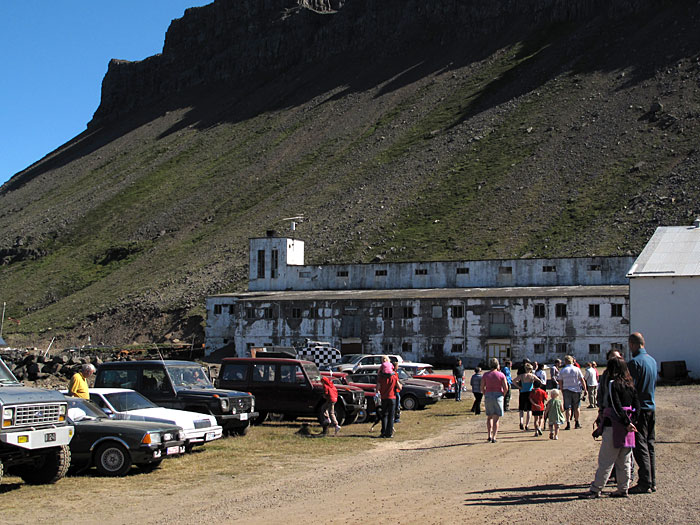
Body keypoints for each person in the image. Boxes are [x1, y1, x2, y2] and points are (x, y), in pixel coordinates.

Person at [580, 357, 640, 498]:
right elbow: (637, 403)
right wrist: (632, 422)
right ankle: (623, 488)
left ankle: (596, 489)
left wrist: (625, 422)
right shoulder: (630, 384)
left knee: (606, 459)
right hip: (629, 424)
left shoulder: (613, 383)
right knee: (624, 459)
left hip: (615, 423)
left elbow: (615, 404)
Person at [627, 332, 657, 494]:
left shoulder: (634, 363)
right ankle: (652, 480)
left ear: (633, 344)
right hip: (651, 406)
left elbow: (631, 388)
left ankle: (645, 481)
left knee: (640, 446)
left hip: (640, 409)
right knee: (650, 445)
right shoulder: (652, 360)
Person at [481, 358, 508, 443]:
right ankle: (494, 437)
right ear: (497, 365)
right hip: (498, 395)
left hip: (489, 395)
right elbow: (506, 387)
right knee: (496, 417)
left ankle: (489, 434)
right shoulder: (501, 375)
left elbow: (482, 387)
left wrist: (485, 393)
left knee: (489, 417)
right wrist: (503, 395)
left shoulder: (485, 375)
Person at [558, 355, 587, 430]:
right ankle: (577, 422)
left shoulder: (563, 370)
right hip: (576, 389)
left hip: (566, 389)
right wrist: (585, 389)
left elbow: (560, 382)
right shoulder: (576, 369)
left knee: (568, 408)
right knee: (577, 407)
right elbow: (582, 379)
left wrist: (562, 390)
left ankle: (568, 423)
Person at [513, 363, 541, 431]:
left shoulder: (522, 376)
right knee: (529, 409)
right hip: (530, 392)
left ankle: (521, 421)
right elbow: (539, 381)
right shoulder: (532, 376)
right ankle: (527, 424)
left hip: (523, 392)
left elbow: (513, 381)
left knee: (521, 409)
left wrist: (519, 387)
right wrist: (535, 387)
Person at [377, 360, 401, 438]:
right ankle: (389, 433)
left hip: (384, 398)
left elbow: (377, 388)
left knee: (384, 415)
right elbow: (399, 387)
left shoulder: (380, 378)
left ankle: (383, 432)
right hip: (392, 397)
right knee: (391, 415)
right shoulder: (394, 377)